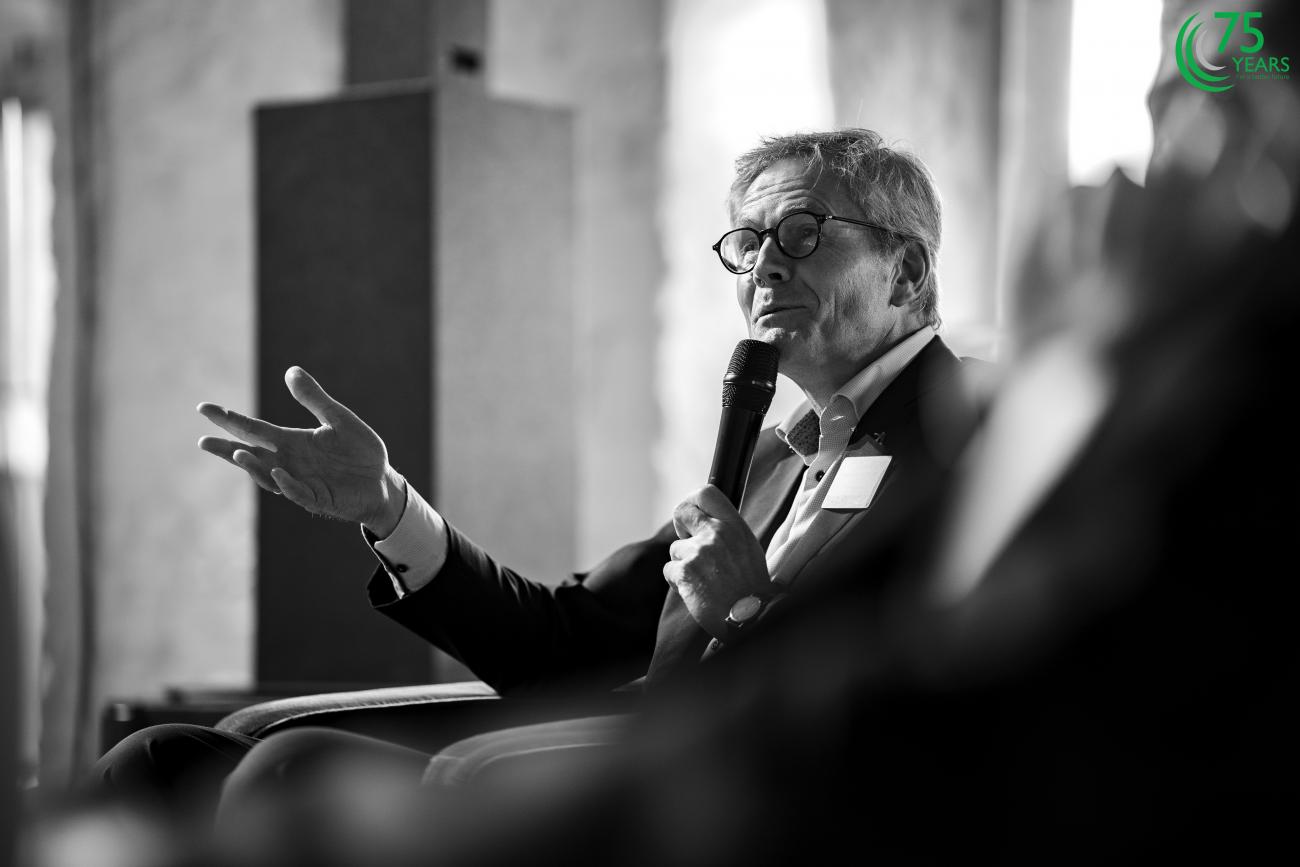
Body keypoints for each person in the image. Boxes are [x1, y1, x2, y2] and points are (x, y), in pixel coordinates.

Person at [92, 129, 986, 829]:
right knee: (164, 760)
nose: (764, 264)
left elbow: (925, 694)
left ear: (906, 269)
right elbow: (567, 640)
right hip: (619, 741)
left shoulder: (965, 435)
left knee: (293, 773)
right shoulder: (773, 453)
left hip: (728, 787)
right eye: (747, 242)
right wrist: (388, 505)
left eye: (799, 232)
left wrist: (747, 613)